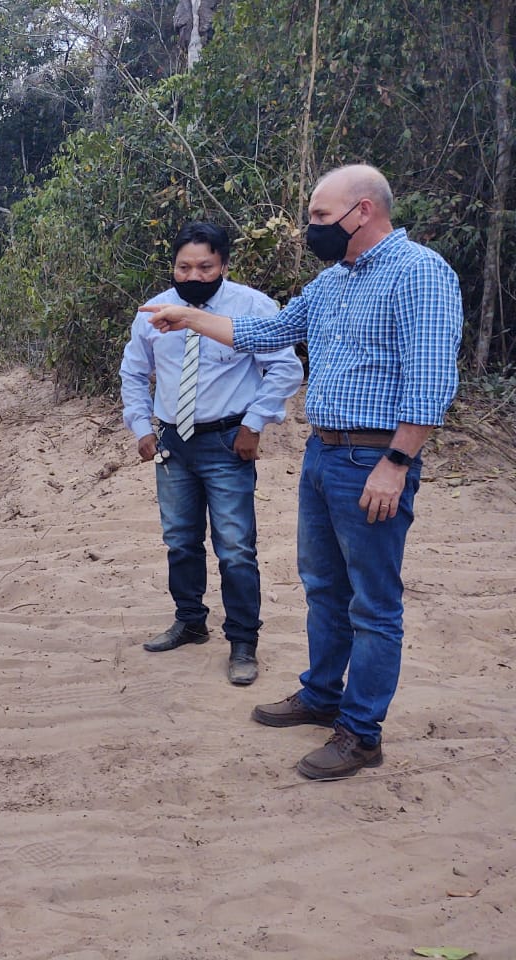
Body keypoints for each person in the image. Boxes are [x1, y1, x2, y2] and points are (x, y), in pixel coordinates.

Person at [142, 165, 463, 779]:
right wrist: (187, 318)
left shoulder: (418, 273)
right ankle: (321, 695)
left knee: (373, 604)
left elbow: (431, 382)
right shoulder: (332, 282)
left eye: (319, 217)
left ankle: (361, 732)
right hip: (324, 454)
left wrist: (397, 462)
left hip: (374, 457)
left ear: (362, 211)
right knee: (323, 587)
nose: (309, 228)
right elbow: (267, 331)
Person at [120, 222, 303, 686]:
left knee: (236, 547)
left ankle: (243, 642)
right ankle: (190, 621)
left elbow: (285, 369)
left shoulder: (252, 308)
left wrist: (254, 424)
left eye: (205, 266)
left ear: (223, 264)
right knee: (180, 540)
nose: (194, 275)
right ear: (173, 266)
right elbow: (133, 371)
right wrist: (142, 427)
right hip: (173, 444)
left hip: (228, 443)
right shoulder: (153, 312)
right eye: (184, 266)